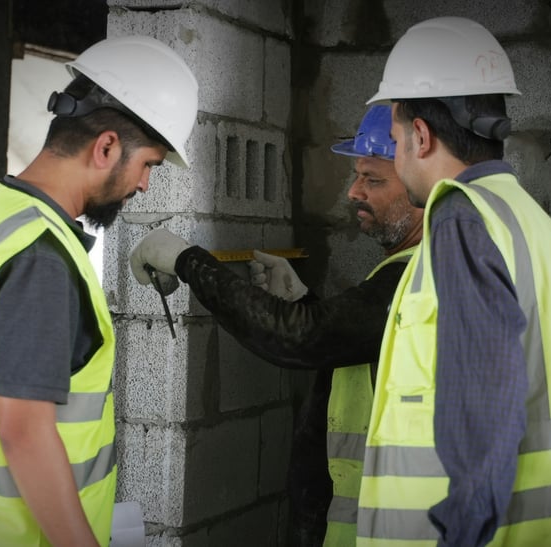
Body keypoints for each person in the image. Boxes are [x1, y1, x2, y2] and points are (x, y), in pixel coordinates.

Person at [0, 35, 198, 547]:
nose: (144, 185)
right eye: (149, 165)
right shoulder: (41, 256)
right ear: (106, 148)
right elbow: (25, 431)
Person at [127, 105, 423, 546]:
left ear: (422, 187)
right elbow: (357, 347)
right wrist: (304, 302)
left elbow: (301, 339)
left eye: (373, 180)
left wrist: (189, 261)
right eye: (357, 175)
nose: (354, 192)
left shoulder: (418, 275)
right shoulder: (403, 269)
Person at [356, 17, 551, 546]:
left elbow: (488, 408)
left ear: (420, 135)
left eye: (393, 141)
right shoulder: (547, 235)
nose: (394, 156)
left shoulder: (462, 218)